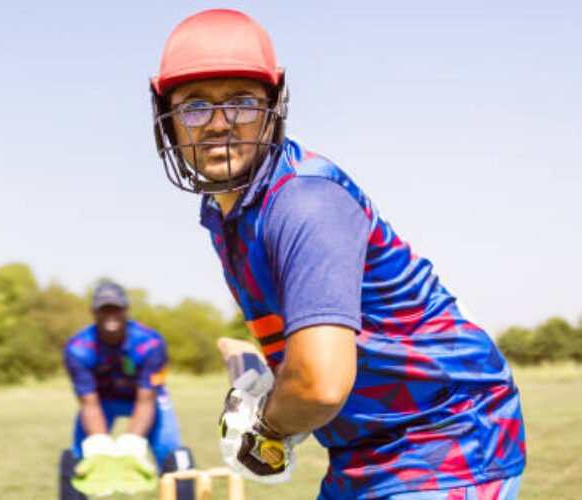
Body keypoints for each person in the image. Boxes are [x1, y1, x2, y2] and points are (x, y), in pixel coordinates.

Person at [148, 9, 526, 499]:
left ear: (272, 108)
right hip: (366, 449)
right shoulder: (228, 213)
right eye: (195, 106)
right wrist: (265, 377)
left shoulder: (305, 201)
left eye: (241, 103)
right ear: (168, 120)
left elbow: (320, 386)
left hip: (447, 437)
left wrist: (263, 425)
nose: (219, 124)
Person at [59, 282, 194, 499]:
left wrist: (131, 441)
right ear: (94, 313)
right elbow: (88, 402)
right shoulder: (78, 348)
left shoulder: (151, 343)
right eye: (104, 309)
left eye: (116, 308)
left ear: (126, 311)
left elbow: (147, 399)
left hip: (145, 398)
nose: (110, 314)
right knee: (83, 453)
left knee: (171, 450)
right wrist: (99, 443)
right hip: (101, 400)